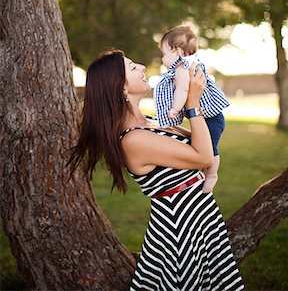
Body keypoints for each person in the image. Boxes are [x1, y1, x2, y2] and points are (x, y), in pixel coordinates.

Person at [69, 49, 244, 291]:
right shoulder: (132, 140)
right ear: (122, 88)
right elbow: (203, 156)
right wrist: (192, 103)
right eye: (132, 67)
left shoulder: (151, 122)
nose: (141, 66)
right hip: (181, 231)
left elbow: (203, 141)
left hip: (199, 218)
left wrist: (192, 94)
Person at [155, 25, 229, 193]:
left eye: (164, 54)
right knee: (208, 146)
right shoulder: (192, 63)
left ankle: (211, 175)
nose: (163, 59)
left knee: (210, 148)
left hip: (211, 119)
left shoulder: (182, 68)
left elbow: (183, 90)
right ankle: (207, 173)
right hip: (212, 117)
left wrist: (175, 108)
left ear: (178, 52)